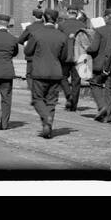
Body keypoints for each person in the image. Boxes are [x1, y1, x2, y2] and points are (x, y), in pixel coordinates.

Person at [25, 8, 69, 139]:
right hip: (56, 72)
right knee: (51, 101)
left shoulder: (37, 33)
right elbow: (64, 56)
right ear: (56, 20)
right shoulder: (62, 36)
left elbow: (27, 51)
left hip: (39, 72)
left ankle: (46, 118)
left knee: (37, 99)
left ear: (44, 18)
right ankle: (47, 128)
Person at [86, 8, 111, 121]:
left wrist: (86, 49)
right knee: (110, 89)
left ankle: (102, 106)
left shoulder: (101, 30)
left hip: (99, 64)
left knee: (95, 84)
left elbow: (94, 48)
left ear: (106, 17)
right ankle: (108, 116)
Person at [57, 6, 89, 112]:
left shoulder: (61, 26)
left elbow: (59, 42)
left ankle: (68, 95)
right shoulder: (83, 25)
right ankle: (73, 105)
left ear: (68, 12)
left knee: (62, 77)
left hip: (64, 56)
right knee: (76, 81)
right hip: (79, 56)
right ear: (77, 13)